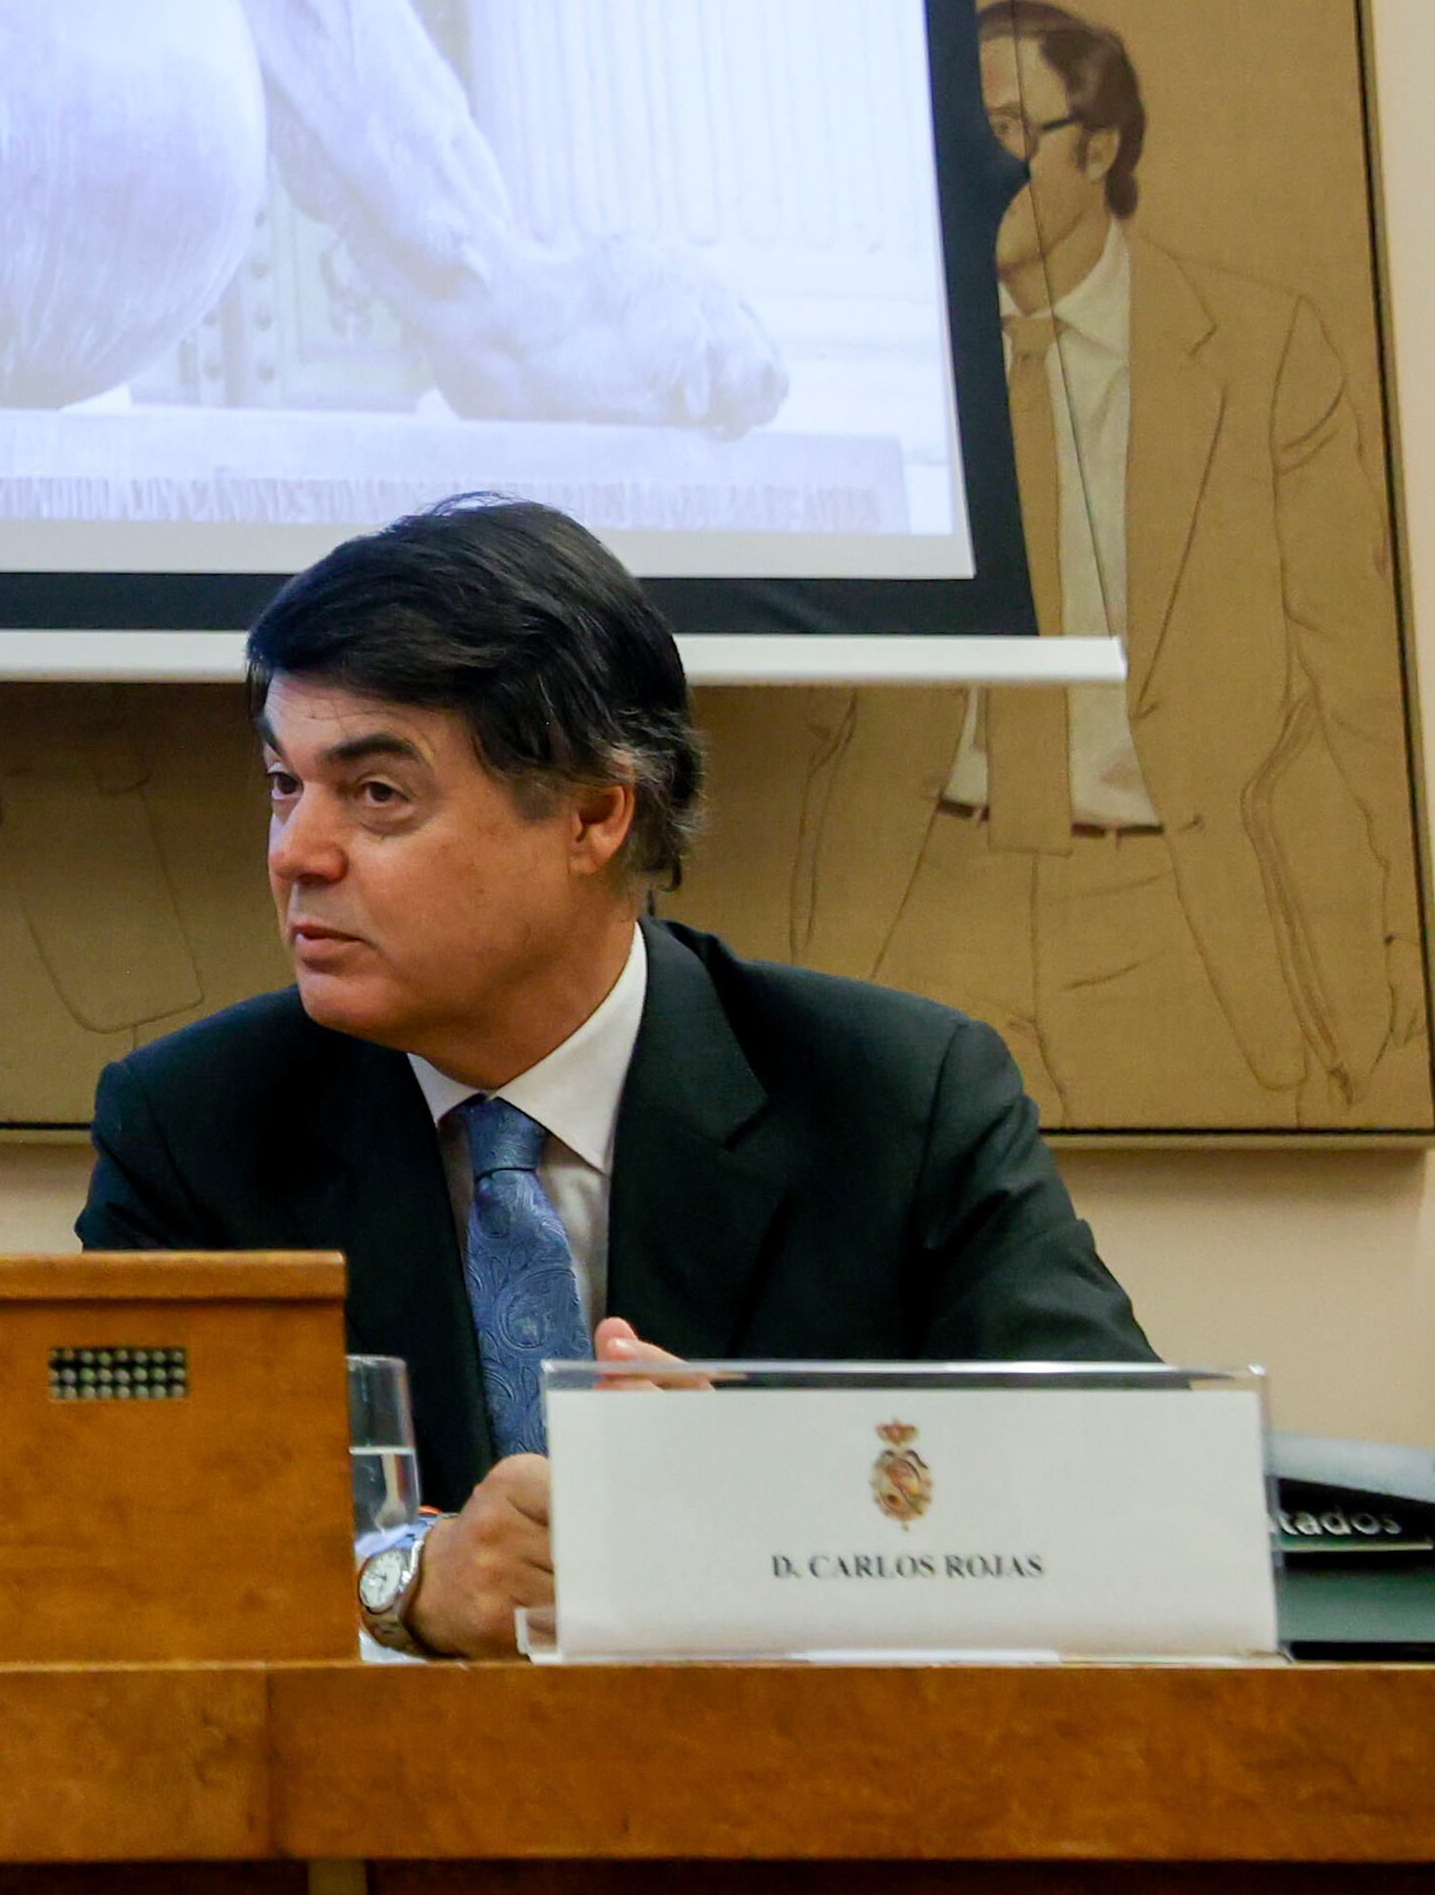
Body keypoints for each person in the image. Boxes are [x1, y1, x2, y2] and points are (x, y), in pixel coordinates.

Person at [79, 495, 1152, 1661]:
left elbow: (1132, 1504)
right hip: (370, 1825)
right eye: (284, 784)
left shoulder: (895, 1097)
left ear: (592, 814)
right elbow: (100, 1538)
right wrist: (397, 1583)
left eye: (375, 794)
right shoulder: (193, 1123)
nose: (295, 853)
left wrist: (771, 1510)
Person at [815, 1, 1411, 1123]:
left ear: (1097, 147)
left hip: (1164, 899)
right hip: (923, 889)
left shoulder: (1254, 350)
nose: (968, 169)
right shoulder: (884, 365)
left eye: (1003, 129)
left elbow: (1356, 687)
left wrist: (1390, 960)